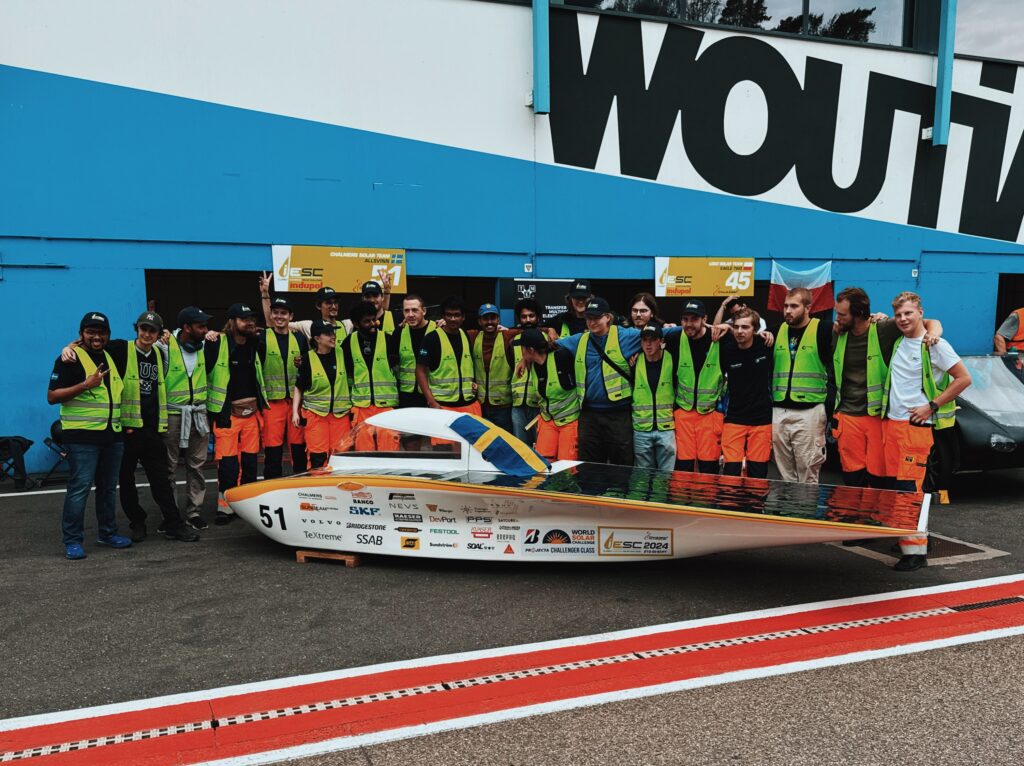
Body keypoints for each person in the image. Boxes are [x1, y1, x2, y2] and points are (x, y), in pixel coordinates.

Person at [881, 291, 971, 571]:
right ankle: (911, 537)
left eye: (908, 313)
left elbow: (963, 378)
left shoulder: (935, 344)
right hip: (894, 424)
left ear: (921, 313)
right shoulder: (899, 342)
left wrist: (931, 406)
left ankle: (915, 553)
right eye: (898, 315)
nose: (903, 318)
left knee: (909, 488)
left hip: (915, 428)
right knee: (899, 488)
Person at [832, 287, 943, 489]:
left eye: (841, 314)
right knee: (851, 475)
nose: (837, 318)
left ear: (857, 314)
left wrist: (933, 333)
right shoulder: (838, 334)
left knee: (880, 476)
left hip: (877, 417)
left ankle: (877, 517)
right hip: (847, 417)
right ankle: (855, 518)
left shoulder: (883, 329)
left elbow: (927, 321)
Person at [47, 312, 133, 559]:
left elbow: (146, 339)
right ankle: (72, 540)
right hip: (82, 438)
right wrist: (86, 384)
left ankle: (107, 533)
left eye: (101, 332)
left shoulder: (111, 355)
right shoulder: (69, 360)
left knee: (107, 489)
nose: (96, 336)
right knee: (79, 489)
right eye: (91, 332)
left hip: (112, 436)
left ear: (108, 334)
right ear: (81, 333)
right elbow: (52, 396)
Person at [116, 312, 199, 543]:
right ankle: (137, 521)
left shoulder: (161, 354)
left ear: (159, 333)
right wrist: (70, 346)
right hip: (128, 429)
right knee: (127, 480)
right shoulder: (122, 349)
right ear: (136, 329)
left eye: (152, 330)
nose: (146, 334)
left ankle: (174, 523)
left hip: (152, 429)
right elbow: (92, 342)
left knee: (161, 479)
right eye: (143, 329)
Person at [556, 296, 640, 465]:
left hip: (618, 414)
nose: (592, 322)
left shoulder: (627, 336)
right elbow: (545, 345)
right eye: (589, 318)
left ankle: (619, 492)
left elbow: (661, 335)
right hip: (589, 415)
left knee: (621, 464)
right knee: (589, 465)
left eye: (596, 317)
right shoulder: (579, 340)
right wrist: (524, 358)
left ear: (608, 317)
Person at [205, 302, 267, 523]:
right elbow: (186, 341)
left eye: (252, 319)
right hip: (227, 415)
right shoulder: (215, 343)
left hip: (251, 414)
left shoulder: (256, 342)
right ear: (232, 322)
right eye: (244, 319)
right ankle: (225, 507)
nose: (250, 323)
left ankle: (246, 506)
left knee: (250, 463)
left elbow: (285, 329)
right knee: (228, 465)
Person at [771, 287, 835, 484]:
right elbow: (745, 330)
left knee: (808, 469)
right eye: (785, 306)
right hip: (780, 409)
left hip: (809, 412)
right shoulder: (775, 331)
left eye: (794, 306)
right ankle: (789, 512)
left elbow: (853, 327)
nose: (788, 311)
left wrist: (877, 318)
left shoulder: (824, 329)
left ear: (808, 307)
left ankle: (805, 513)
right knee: (784, 471)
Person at [162, 306, 213, 530]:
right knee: (168, 468)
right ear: (186, 327)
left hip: (198, 414)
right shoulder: (164, 345)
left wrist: (215, 334)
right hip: (173, 415)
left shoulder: (206, 346)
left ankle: (194, 512)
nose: (205, 330)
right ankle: (170, 515)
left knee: (197, 466)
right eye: (201, 326)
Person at [666, 299, 724, 474]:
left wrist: (763, 334)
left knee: (709, 465)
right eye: (685, 319)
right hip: (683, 412)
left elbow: (746, 332)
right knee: (683, 465)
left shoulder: (719, 338)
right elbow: (648, 337)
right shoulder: (674, 337)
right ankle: (682, 501)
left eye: (694, 319)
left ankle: (706, 502)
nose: (689, 324)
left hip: (709, 413)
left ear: (704, 319)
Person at [719, 308, 773, 478]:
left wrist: (769, 334)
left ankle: (755, 505)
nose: (740, 331)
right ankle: (731, 505)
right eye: (736, 327)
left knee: (757, 474)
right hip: (734, 418)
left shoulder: (766, 345)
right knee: (731, 473)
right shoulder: (726, 349)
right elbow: (707, 329)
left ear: (755, 330)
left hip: (761, 421)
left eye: (745, 327)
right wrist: (725, 327)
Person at [258, 295, 309, 479]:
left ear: (291, 316)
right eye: (276, 312)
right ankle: (272, 487)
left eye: (284, 313)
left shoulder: (300, 339)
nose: (280, 316)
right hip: (273, 404)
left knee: (299, 449)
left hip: (296, 403)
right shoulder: (262, 337)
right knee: (273, 451)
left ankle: (300, 485)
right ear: (271, 315)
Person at [512, 328, 579, 461]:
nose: (520, 352)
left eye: (522, 348)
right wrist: (525, 360)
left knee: (566, 467)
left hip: (570, 421)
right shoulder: (533, 363)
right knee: (543, 464)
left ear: (530, 349)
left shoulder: (563, 356)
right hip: (548, 420)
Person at [293, 319, 352, 468]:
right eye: (328, 334)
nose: (333, 336)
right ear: (317, 338)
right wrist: (295, 412)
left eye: (333, 333)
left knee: (340, 456)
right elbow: (299, 387)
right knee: (317, 456)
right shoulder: (307, 359)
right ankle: (318, 489)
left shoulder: (342, 353)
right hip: (316, 415)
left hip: (340, 415)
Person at [343, 302, 401, 451]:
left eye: (373, 319)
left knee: (389, 450)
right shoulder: (348, 343)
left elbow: (398, 369)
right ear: (356, 324)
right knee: (363, 450)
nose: (373, 324)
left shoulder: (389, 340)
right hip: (361, 407)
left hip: (386, 405)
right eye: (366, 321)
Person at [416, 296, 480, 416]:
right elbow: (420, 371)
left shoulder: (466, 335)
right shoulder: (431, 338)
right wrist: (431, 401)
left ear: (463, 317)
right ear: (443, 316)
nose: (453, 319)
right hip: (442, 406)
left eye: (457, 315)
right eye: (449, 315)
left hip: (469, 405)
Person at [632, 326, 676, 471]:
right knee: (642, 476)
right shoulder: (634, 361)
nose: (648, 344)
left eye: (652, 340)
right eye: (644, 340)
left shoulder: (672, 359)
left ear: (661, 341)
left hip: (666, 428)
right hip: (642, 428)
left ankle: (662, 495)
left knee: (666, 476)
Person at [261, 276, 349, 345]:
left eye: (336, 302)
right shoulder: (307, 326)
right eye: (328, 303)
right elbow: (272, 323)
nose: (333, 306)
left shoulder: (347, 325)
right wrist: (265, 294)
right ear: (318, 306)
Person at [472, 303, 514, 431]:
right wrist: (440, 323)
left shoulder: (507, 336)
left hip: (503, 407)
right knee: (482, 444)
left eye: (493, 318)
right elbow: (452, 331)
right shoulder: (473, 337)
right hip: (480, 405)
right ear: (480, 321)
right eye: (485, 318)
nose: (489, 322)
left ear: (498, 320)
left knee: (504, 443)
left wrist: (549, 330)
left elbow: (530, 330)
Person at [510, 298, 544, 445]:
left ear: (538, 317)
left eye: (531, 316)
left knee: (541, 447)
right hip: (518, 404)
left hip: (540, 405)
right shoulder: (514, 340)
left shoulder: (547, 339)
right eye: (524, 317)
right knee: (520, 449)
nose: (528, 320)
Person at [396, 294, 437, 409]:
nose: (410, 315)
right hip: (406, 397)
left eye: (414, 310)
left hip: (432, 395)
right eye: (406, 311)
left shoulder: (437, 329)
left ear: (423, 311)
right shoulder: (399, 332)